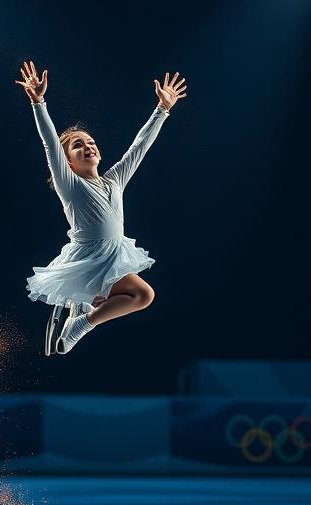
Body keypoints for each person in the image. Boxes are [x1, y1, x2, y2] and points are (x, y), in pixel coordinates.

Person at [15, 60, 187, 355]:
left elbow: (139, 147)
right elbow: (49, 144)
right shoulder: (70, 184)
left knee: (138, 296)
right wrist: (39, 102)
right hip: (91, 256)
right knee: (143, 294)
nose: (88, 146)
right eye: (78, 145)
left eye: (91, 142)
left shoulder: (114, 180)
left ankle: (78, 311)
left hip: (112, 254)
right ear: (68, 162)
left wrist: (162, 109)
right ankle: (79, 322)